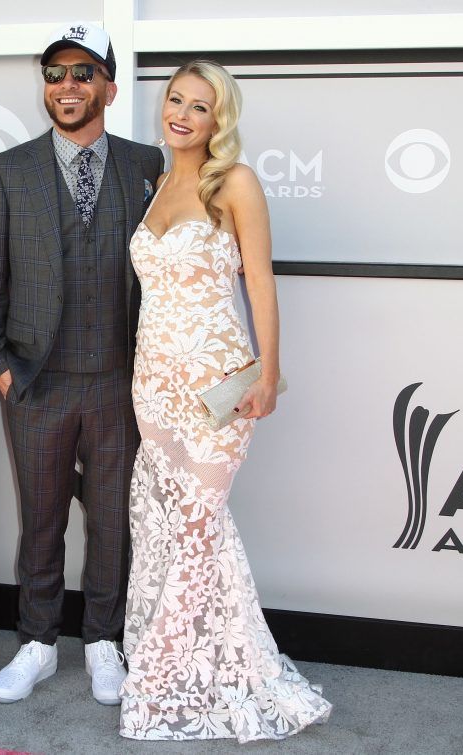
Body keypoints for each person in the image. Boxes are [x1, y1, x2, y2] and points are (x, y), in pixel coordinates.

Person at [118, 60, 332, 740]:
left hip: (219, 385)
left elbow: (261, 281)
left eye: (199, 106)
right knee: (168, 526)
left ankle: (161, 671)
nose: (181, 113)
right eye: (175, 99)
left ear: (220, 119)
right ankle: (195, 658)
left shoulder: (233, 182)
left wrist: (269, 371)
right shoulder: (154, 186)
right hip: (152, 384)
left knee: (200, 523)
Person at [0, 23, 163, 706]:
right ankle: (38, 642)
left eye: (83, 73)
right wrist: (0, 369)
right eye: (55, 73)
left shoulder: (149, 165)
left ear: (109, 86)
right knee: (43, 517)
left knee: (113, 518)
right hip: (36, 381)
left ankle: (105, 641)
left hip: (119, 380)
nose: (67, 86)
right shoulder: (9, 170)